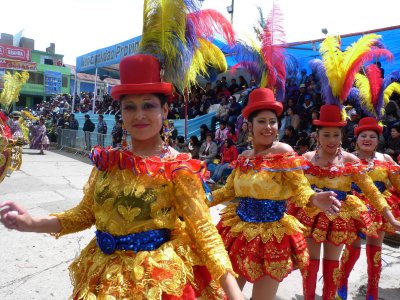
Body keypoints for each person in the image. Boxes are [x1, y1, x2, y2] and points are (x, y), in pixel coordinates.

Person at [0, 54, 242, 300]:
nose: (139, 115)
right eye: (130, 107)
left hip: (155, 283)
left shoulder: (177, 167)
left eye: (148, 105)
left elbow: (203, 231)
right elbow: (83, 215)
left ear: (165, 110)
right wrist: (31, 223)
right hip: (102, 279)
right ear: (121, 112)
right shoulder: (108, 161)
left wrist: (235, 294)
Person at [207, 88, 341, 300]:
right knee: (224, 294)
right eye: (262, 121)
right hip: (239, 233)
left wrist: (314, 198)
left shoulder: (283, 151)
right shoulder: (244, 157)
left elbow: (299, 186)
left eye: (273, 121)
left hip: (272, 237)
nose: (268, 127)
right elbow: (228, 190)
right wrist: (199, 201)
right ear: (249, 126)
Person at [291, 105, 400, 300]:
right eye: (326, 135)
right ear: (317, 136)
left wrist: (390, 217)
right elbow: (293, 188)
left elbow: (372, 191)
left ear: (342, 136)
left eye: (336, 135)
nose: (331, 140)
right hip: (310, 216)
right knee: (310, 263)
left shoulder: (350, 160)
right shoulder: (306, 159)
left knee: (332, 264)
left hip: (339, 218)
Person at [336, 117, 400, 300]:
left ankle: (372, 290)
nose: (367, 139)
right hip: (354, 208)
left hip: (379, 208)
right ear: (356, 138)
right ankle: (341, 283)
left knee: (374, 251)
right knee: (353, 248)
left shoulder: (385, 159)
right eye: (363, 135)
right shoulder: (347, 158)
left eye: (372, 136)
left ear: (378, 140)